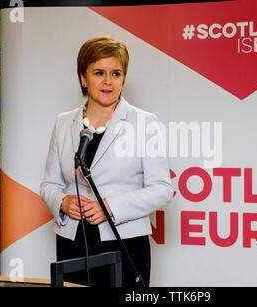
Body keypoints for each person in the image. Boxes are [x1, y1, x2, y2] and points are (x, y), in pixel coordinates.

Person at [40, 35, 173, 287]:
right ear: (83, 77)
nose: (108, 82)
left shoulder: (144, 122)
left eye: (116, 73)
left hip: (125, 242)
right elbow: (49, 185)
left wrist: (109, 206)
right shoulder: (62, 122)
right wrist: (63, 202)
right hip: (73, 242)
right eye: (99, 72)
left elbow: (163, 189)